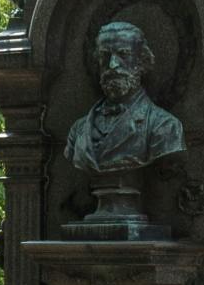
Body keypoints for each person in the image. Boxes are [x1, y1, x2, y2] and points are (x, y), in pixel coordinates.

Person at [66, 21, 184, 174]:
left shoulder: (165, 127)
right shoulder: (78, 129)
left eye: (123, 55)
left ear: (141, 61)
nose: (113, 65)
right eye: (105, 56)